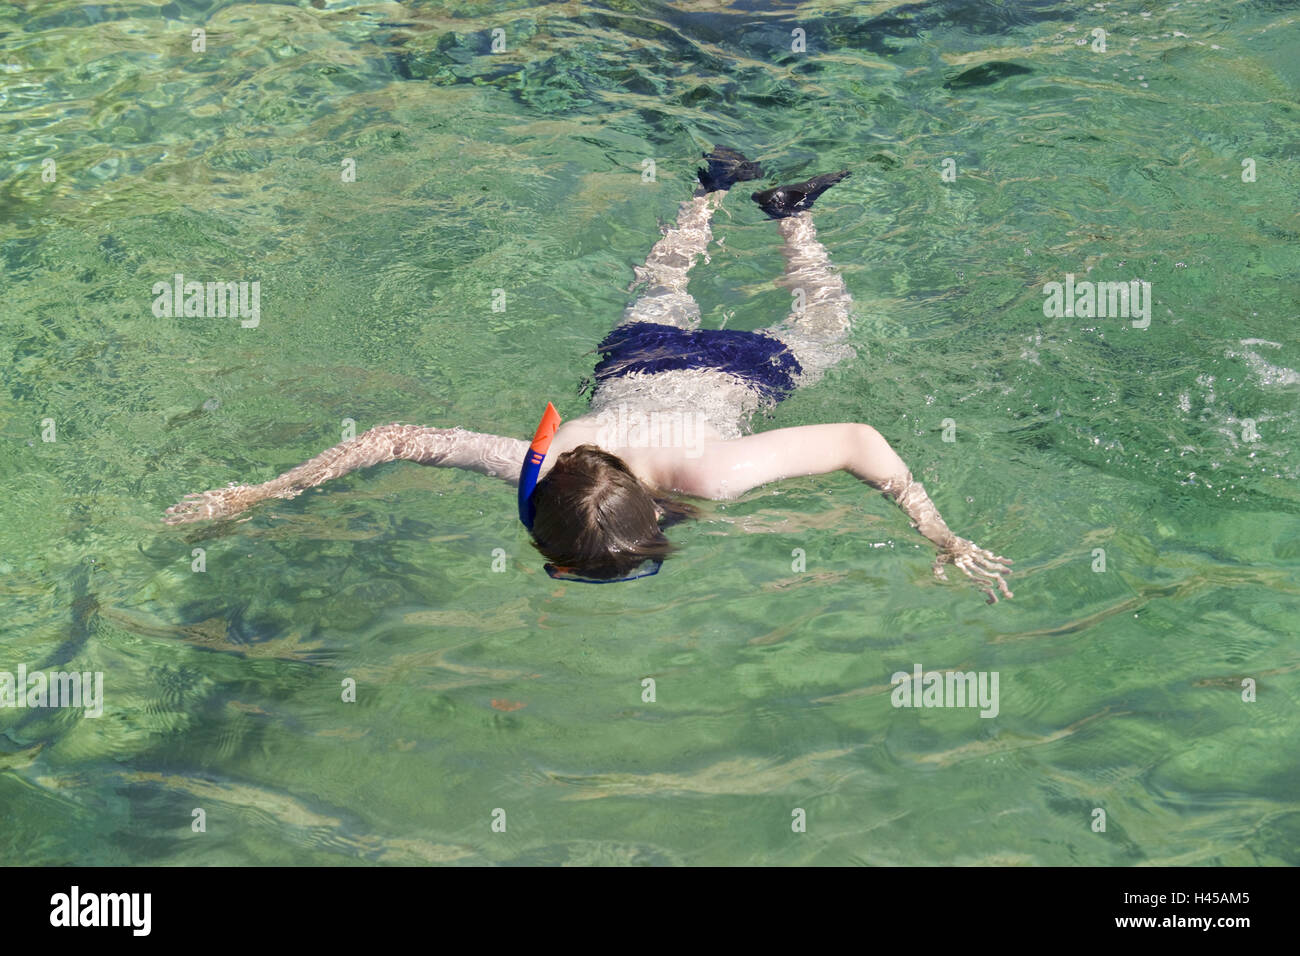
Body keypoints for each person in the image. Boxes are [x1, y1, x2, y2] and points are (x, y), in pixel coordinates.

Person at [164, 148, 1013, 601]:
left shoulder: (714, 477)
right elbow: (392, 436)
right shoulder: (542, 462)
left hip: (738, 374)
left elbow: (861, 442)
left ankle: (774, 215)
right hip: (639, 359)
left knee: (824, 329)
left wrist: (936, 530)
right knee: (663, 286)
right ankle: (722, 197)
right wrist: (257, 493)